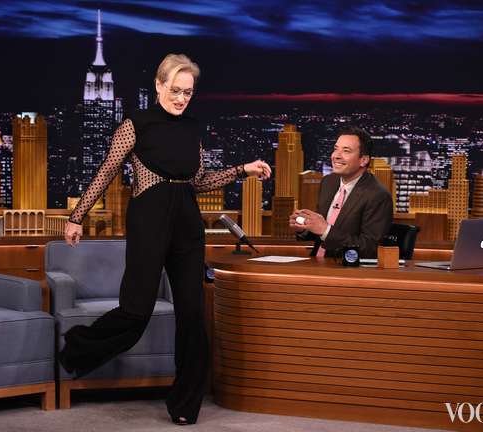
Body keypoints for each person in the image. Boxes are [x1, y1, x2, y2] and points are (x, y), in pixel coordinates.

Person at [60, 53, 271, 426]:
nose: (181, 98)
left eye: (188, 92)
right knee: (136, 311)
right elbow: (107, 170)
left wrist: (244, 170)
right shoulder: (135, 124)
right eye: (175, 90)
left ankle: (185, 404)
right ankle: (78, 347)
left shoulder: (192, 127)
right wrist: (77, 217)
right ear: (158, 85)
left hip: (188, 224)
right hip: (149, 220)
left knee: (192, 314)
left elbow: (199, 182)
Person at [289, 125, 392, 259]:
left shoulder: (377, 195)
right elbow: (322, 232)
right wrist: (304, 228)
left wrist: (325, 230)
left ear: (364, 160)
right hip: (315, 263)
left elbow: (370, 248)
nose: (336, 156)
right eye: (336, 149)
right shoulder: (329, 182)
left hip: (344, 267)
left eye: (346, 151)